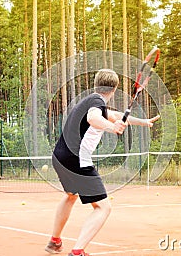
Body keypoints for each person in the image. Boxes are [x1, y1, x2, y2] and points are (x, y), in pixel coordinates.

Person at [45, 69, 160, 256]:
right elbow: (94, 118)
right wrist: (111, 127)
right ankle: (77, 251)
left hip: (60, 156)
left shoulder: (91, 101)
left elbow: (116, 116)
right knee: (103, 207)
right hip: (77, 159)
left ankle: (54, 242)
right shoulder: (96, 103)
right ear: (114, 90)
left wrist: (143, 122)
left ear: (96, 84)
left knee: (71, 196)